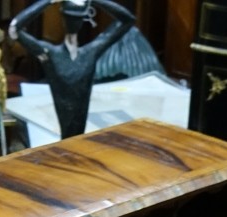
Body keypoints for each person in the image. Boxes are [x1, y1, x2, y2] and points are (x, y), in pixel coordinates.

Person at [8, 0, 136, 139]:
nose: (73, 22)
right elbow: (14, 29)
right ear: (63, 19)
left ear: (83, 19)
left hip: (79, 133)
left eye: (77, 18)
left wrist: (96, 1)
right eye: (69, 17)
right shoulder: (50, 54)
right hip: (65, 130)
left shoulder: (90, 53)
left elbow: (128, 20)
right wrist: (49, 2)